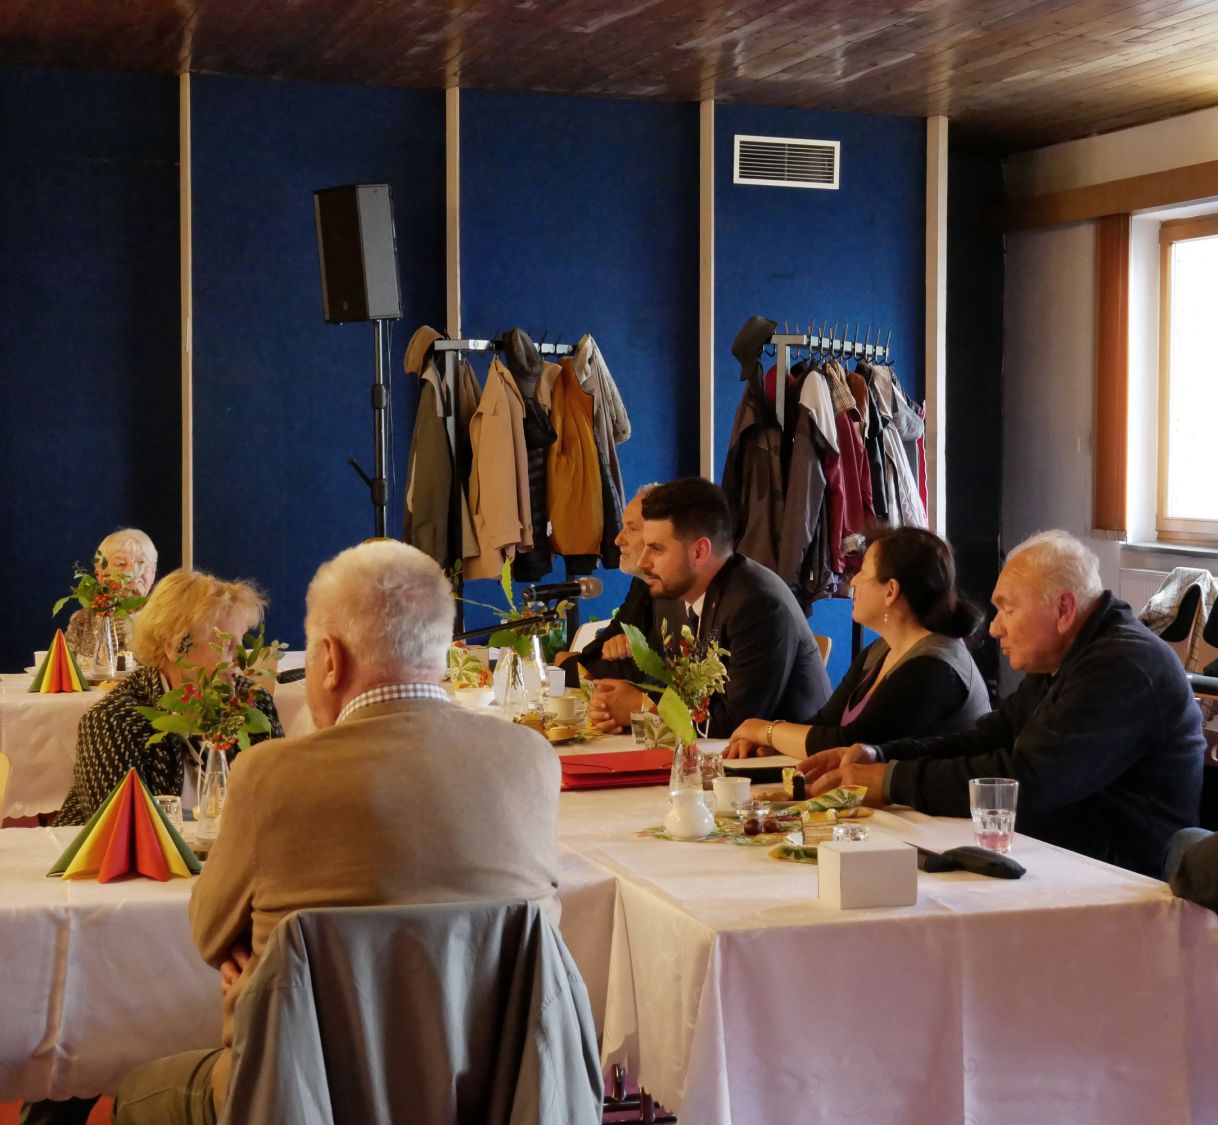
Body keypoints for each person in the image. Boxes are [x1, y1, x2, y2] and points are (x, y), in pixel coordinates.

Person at [112, 540, 563, 1124]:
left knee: (137, 1092)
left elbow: (210, 934)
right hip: (498, 1096)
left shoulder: (271, 775)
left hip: (301, 1094)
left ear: (327, 658)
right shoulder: (532, 759)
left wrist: (265, 975)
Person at [801, 530, 1205, 877]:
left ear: (1064, 609)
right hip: (1059, 858)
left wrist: (891, 782)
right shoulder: (1068, 655)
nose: (994, 627)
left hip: (1123, 881)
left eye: (1008, 609)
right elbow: (987, 737)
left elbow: (1026, 782)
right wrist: (881, 755)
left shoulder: (1122, 667)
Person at [588, 477, 831, 738]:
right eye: (645, 546)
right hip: (719, 754)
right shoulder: (670, 598)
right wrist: (615, 707)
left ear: (700, 552)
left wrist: (642, 707)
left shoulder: (757, 604)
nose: (643, 562)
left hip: (787, 758)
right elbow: (673, 692)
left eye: (656, 549)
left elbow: (736, 722)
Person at [726, 527, 990, 759]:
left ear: (891, 591)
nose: (853, 581)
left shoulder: (933, 667)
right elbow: (824, 724)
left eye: (863, 572)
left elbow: (853, 745)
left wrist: (766, 731)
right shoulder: (881, 649)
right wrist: (775, 744)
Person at [55, 569, 283, 826]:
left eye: (241, 644)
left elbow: (281, 810)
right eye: (226, 645)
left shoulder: (255, 705)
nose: (240, 659)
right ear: (173, 646)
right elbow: (120, 832)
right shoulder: (113, 721)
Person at [558, 483, 683, 684]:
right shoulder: (642, 583)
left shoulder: (680, 595)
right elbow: (596, 651)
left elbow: (643, 678)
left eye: (632, 529)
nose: (618, 540)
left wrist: (567, 665)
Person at [63, 527, 158, 658]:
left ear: (153, 570)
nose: (132, 572)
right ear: (101, 575)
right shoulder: (83, 621)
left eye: (141, 562)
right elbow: (63, 666)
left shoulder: (166, 617)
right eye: (121, 564)